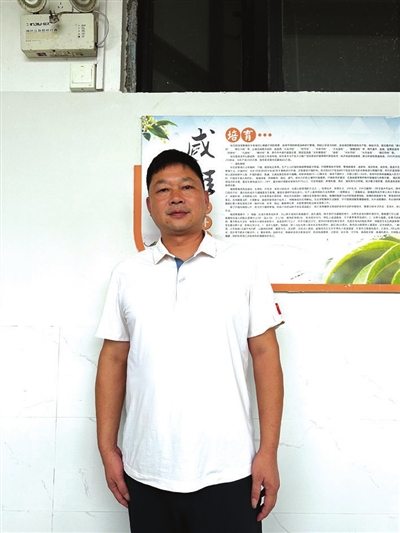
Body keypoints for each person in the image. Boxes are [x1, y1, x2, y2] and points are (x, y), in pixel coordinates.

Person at [95, 149, 284, 533]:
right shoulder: (127, 273)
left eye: (187, 187)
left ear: (206, 200)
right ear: (150, 205)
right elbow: (113, 360)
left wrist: (268, 451)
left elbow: (266, 354)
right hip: (146, 469)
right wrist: (107, 448)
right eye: (163, 189)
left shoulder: (243, 265)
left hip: (230, 469)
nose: (176, 197)